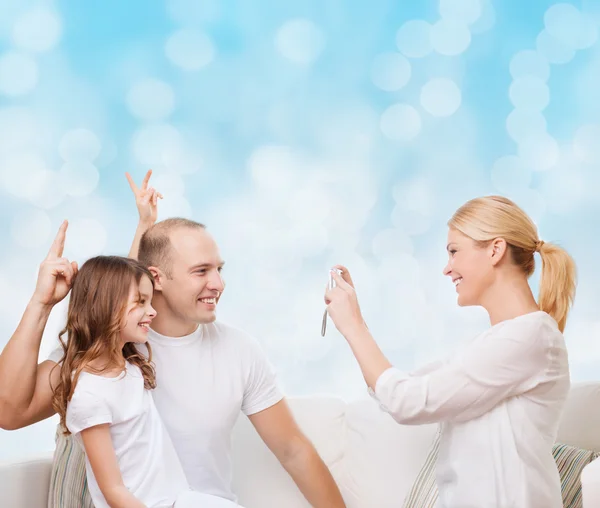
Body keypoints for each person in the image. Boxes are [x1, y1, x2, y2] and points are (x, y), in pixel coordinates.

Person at [0, 170, 345, 508]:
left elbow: (293, 449)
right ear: (157, 278)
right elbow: (10, 412)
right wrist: (41, 303)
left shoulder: (239, 351)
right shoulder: (102, 354)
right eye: (201, 271)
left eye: (218, 269)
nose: (218, 284)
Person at [324, 195, 576, 508]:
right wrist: (355, 322)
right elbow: (398, 391)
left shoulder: (531, 337)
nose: (447, 269)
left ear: (495, 250)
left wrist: (353, 327)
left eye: (454, 251)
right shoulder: (491, 346)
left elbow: (407, 402)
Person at [54, 254, 239, 508]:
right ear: (104, 306)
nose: (152, 312)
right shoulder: (89, 394)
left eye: (150, 301)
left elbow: (123, 278)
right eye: (141, 302)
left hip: (177, 500)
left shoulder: (130, 365)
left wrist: (145, 223)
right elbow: (113, 491)